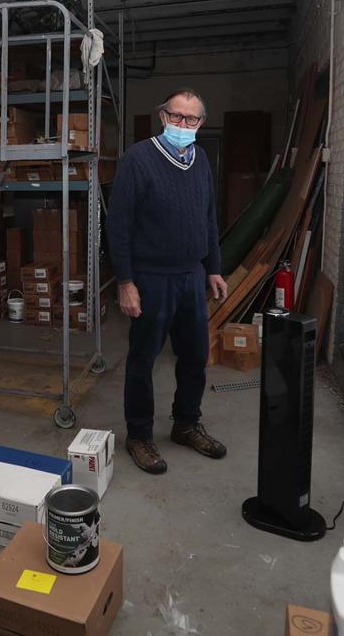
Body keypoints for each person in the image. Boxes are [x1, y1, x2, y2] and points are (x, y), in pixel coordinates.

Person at [106, 88, 229, 474]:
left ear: (200, 123)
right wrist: (126, 281)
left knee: (194, 356)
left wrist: (213, 267)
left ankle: (186, 424)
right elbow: (119, 225)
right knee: (143, 360)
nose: (183, 124)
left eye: (191, 119)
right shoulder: (138, 159)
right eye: (176, 117)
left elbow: (208, 216)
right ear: (163, 117)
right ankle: (139, 435)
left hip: (191, 274)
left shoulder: (201, 160)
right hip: (151, 277)